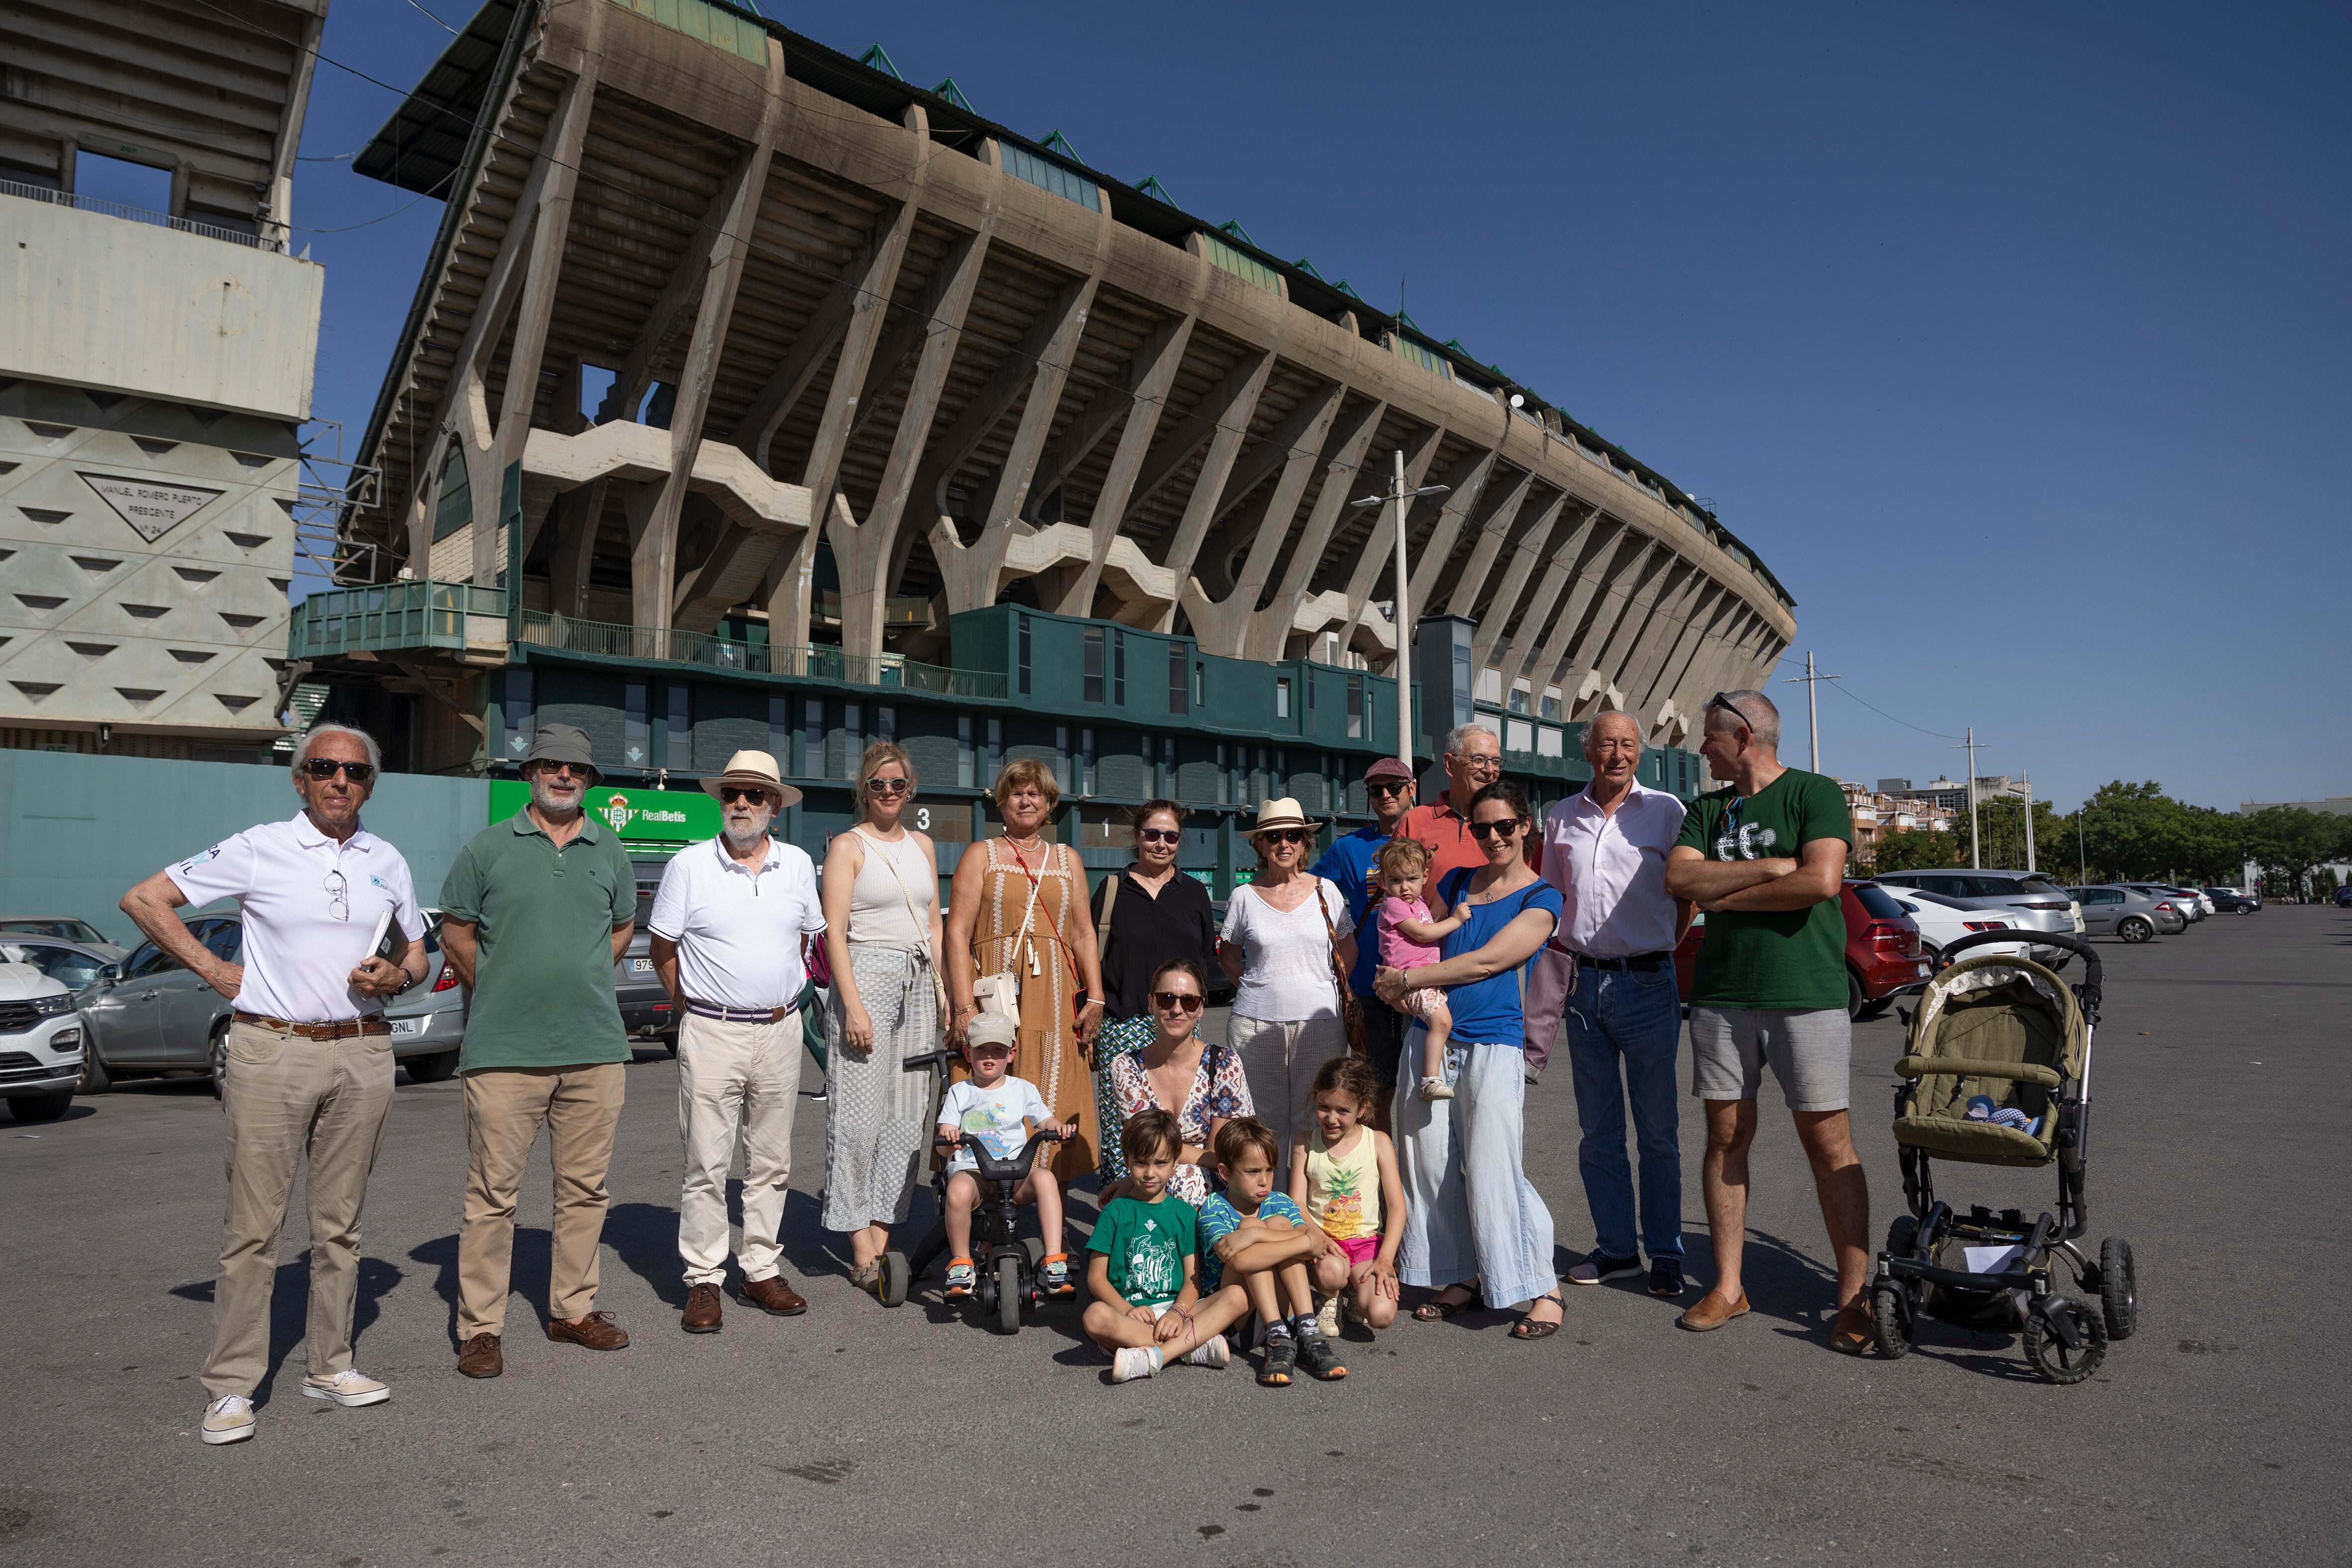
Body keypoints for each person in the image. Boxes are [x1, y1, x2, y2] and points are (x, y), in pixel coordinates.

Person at [121, 724, 428, 1446]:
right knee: (254, 1230)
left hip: (361, 1050)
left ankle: (331, 1363)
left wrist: (399, 974)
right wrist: (216, 970)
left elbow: (416, 948)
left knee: (341, 1226)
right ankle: (231, 1386)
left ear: (370, 784)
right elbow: (146, 900)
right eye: (324, 768)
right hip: (273, 1047)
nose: (339, 780)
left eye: (354, 771)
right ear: (300, 779)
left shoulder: (388, 859)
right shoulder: (260, 846)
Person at [1663, 690, 1873, 1352]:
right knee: (1725, 1135)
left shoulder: (1816, 793)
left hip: (1806, 992)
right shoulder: (1706, 808)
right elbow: (1679, 879)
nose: (1702, 750)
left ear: (1743, 735)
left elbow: (1819, 882)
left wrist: (1724, 893)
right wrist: (1772, 867)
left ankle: (1854, 1297)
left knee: (1828, 1141)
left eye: (1709, 739)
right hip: (1723, 995)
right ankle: (1729, 1285)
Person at [438, 723, 638, 1379]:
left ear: (589, 780)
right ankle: (481, 1327)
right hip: (503, 1050)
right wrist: (500, 986)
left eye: (576, 768)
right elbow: (456, 930)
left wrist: (576, 977)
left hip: (594, 1049)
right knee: (493, 1195)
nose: (563, 775)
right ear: (530, 773)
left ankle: (573, 1312)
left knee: (585, 1191)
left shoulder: (609, 849)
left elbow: (622, 927)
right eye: (551, 764)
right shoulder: (488, 847)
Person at [1376, 779, 1566, 1340]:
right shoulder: (1456, 881)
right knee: (1429, 1166)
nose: (1492, 837)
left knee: (1494, 1168)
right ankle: (1462, 1275)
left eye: (1503, 826)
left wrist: (1407, 980)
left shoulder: (1541, 897)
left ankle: (1540, 1286)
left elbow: (1487, 961)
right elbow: (1415, 935)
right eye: (1480, 827)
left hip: (1491, 1042)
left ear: (1525, 826)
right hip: (1429, 1039)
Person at [647, 749, 821, 1334]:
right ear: (720, 802)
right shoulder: (690, 865)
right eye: (732, 794)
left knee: (771, 1161)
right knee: (705, 1162)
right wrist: (693, 1006)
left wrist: (774, 994)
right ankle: (703, 1280)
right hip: (711, 1029)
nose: (741, 804)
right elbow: (662, 949)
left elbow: (807, 942)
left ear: (775, 805)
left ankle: (761, 1269)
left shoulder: (797, 865)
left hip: (779, 1028)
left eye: (754, 795)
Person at [1536, 710, 1694, 1300]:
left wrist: (1661, 947)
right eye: (1607, 744)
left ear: (1640, 752)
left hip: (1647, 983)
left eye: (1627, 744)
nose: (1618, 754)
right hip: (1581, 985)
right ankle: (1616, 1248)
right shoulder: (1560, 817)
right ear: (1588, 751)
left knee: (1657, 1131)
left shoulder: (1667, 812)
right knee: (1597, 1130)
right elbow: (1552, 900)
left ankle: (1665, 1251)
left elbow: (1686, 895)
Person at [820, 742, 946, 1295]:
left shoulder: (922, 845)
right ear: (863, 790)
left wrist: (947, 995)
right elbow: (834, 931)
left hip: (922, 980)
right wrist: (851, 1004)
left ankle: (882, 1231)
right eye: (877, 784)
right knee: (857, 1117)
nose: (888, 793)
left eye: (897, 784)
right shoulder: (848, 846)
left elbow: (934, 923)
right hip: (867, 976)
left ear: (909, 789)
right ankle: (859, 1245)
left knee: (906, 1115)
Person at [945, 759, 1106, 1181]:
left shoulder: (1067, 859)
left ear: (1049, 803)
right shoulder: (981, 855)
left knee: (1059, 1095)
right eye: (1016, 792)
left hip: (1055, 1001)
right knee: (988, 1100)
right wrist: (963, 1007)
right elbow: (956, 933)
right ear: (1002, 800)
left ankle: (1055, 1224)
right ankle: (983, 1223)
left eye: (1035, 793)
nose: (1025, 800)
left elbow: (1085, 934)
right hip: (995, 997)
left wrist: (1096, 997)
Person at [1089, 799, 1220, 1182]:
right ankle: (1118, 1207)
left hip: (1180, 1022)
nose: (1161, 844)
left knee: (1177, 1121)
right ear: (1137, 837)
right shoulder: (1113, 890)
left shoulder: (1194, 893)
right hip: (1123, 1023)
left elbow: (1205, 961)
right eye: (1152, 835)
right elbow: (1090, 957)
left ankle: (1172, 1207)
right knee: (1122, 1129)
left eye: (1171, 836)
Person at [1218, 797, 1357, 1157]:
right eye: (1274, 836)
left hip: (1321, 1022)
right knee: (1264, 1122)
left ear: (1305, 843)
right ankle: (1270, 1204)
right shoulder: (1243, 897)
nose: (1284, 844)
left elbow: (1349, 950)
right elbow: (1229, 957)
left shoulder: (1327, 891)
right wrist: (1259, 988)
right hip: (1254, 1023)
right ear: (1260, 845)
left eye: (1293, 835)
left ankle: (1306, 1207)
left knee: (1314, 1118)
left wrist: (1325, 988)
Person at [1082, 1110, 1252, 1383]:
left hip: (1179, 1313)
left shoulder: (1184, 1213)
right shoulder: (1114, 1212)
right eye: (1140, 1163)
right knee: (1095, 1317)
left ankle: (1153, 1354)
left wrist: (1177, 1312)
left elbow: (1192, 1280)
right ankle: (1190, 1347)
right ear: (1126, 1161)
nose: (1150, 1173)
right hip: (1131, 1316)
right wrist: (1127, 1310)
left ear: (1175, 1165)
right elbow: (1096, 1278)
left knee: (1237, 1295)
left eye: (1161, 1163)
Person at [937, 1011, 1077, 1300]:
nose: (989, 1057)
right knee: (957, 1190)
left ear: (1011, 1054)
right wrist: (950, 1140)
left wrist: (1058, 1128)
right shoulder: (959, 1092)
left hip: (1015, 1175)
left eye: (998, 1051)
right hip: (975, 1174)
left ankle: (1054, 1260)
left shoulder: (1023, 1089)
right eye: (981, 1050)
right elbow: (943, 1141)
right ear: (967, 1052)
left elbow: (1044, 1121)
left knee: (1047, 1179)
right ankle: (962, 1262)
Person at [1199, 1117, 1346, 1386]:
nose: (1264, 1181)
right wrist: (1299, 1241)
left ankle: (1308, 1331)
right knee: (1253, 1224)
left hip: (1283, 1310)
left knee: (1274, 1224)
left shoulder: (1279, 1201)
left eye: (1270, 1170)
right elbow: (1242, 1260)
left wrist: (1256, 1235)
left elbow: (1311, 1239)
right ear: (1225, 1172)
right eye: (1253, 1172)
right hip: (1238, 1320)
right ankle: (1278, 1336)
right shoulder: (1213, 1208)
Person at [1102, 958, 1253, 1206]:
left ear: (1201, 1008)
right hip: (1150, 1177)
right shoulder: (1126, 1067)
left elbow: (1219, 1157)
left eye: (1189, 1001)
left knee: (1186, 1179)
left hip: (1214, 1187)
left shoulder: (1224, 1063)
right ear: (1151, 1003)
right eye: (1166, 999)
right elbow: (1148, 1146)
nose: (1177, 1009)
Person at [1311, 756, 1419, 1101]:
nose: (1385, 794)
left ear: (1411, 790)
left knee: (1425, 1088)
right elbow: (1308, 893)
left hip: (1427, 982)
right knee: (1376, 1092)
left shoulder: (1433, 840)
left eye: (1394, 787)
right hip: (1370, 988)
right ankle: (1378, 1156)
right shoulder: (1348, 848)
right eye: (1376, 790)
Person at [1292, 1055, 1406, 1335]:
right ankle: (1329, 1295)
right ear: (1315, 1099)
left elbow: (1397, 1207)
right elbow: (1297, 1202)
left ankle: (1355, 1289)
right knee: (1331, 1273)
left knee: (1381, 1315)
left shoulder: (1378, 1142)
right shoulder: (1305, 1143)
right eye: (1323, 1107)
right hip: (1323, 1242)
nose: (1331, 1119)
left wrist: (1385, 1259)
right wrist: (1317, 1237)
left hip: (1366, 1244)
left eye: (1343, 1110)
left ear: (1362, 1108)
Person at [1372, 836, 1466, 1101]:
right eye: (1395, 881)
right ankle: (1430, 1079)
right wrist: (1456, 920)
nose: (1404, 887)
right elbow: (1423, 934)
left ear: (1425, 876)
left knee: (1441, 1023)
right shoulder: (1394, 905)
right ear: (1383, 882)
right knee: (1443, 1022)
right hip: (1412, 979)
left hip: (1420, 978)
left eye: (1411, 879)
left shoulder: (1418, 904)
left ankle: (1432, 1076)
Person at [1398, 723, 1509, 886]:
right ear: (1450, 765)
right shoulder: (1414, 823)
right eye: (1478, 760)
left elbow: (1540, 891)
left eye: (1496, 762)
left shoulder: (1513, 825)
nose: (1490, 770)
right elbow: (1396, 897)